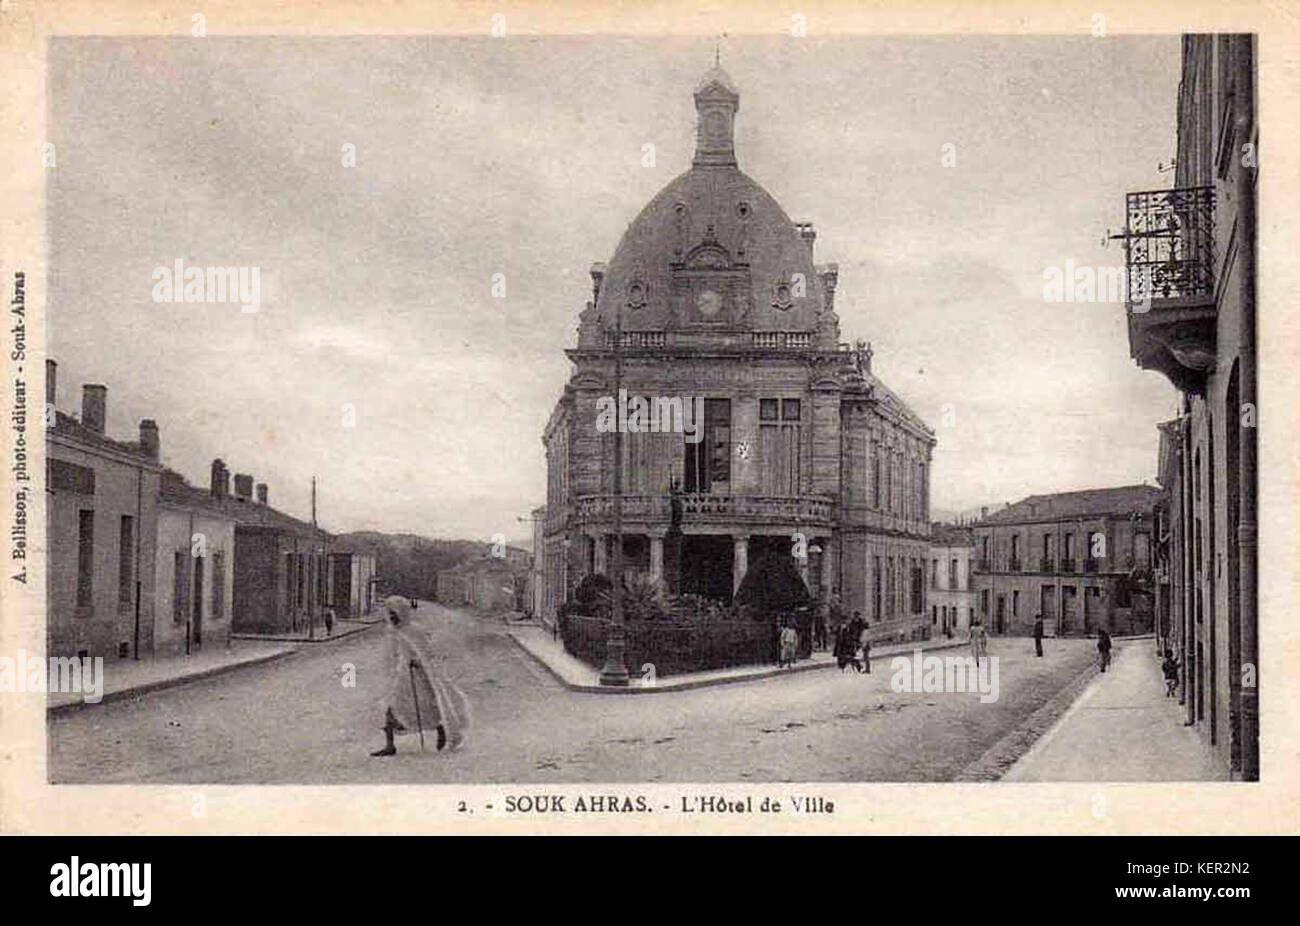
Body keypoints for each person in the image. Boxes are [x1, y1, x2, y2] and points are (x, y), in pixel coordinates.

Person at [371, 595, 470, 757]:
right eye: (389, 614)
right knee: (390, 709)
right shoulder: (393, 631)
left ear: (402, 613)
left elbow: (428, 653)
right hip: (402, 676)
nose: (391, 617)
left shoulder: (414, 630)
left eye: (394, 613)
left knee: (427, 709)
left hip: (418, 677)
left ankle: (441, 729)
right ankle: (390, 746)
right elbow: (392, 654)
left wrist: (417, 661)